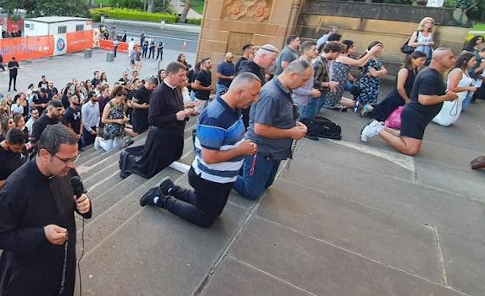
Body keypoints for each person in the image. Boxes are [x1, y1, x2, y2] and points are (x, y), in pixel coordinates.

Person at [0, 125, 91, 296]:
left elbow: (80, 195)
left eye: (74, 158)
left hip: (64, 261)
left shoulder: (66, 169)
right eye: (66, 160)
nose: (71, 165)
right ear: (45, 154)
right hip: (31, 272)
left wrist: (85, 205)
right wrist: (42, 234)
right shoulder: (13, 189)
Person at [139, 73, 261, 227]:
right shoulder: (215, 117)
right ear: (239, 92)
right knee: (205, 217)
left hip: (222, 178)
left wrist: (243, 145)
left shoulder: (233, 108)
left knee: (211, 210)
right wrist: (240, 150)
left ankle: (170, 188)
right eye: (254, 94)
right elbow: (209, 157)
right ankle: (159, 199)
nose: (256, 99)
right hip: (209, 178)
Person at [233, 59, 310, 200]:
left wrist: (295, 124)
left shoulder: (285, 90)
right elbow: (260, 129)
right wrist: (291, 132)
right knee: (251, 192)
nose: (304, 84)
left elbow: (278, 117)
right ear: (293, 75)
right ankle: (220, 174)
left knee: (265, 185)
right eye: (304, 80)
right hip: (262, 150)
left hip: (274, 152)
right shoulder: (271, 94)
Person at [361, 48, 457, 155]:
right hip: (415, 116)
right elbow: (424, 99)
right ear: (439, 59)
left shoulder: (430, 73)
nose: (454, 60)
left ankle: (379, 127)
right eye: (450, 57)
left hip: (419, 116)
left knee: (405, 137)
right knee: (411, 149)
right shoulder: (430, 75)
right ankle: (376, 129)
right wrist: (446, 97)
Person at [119, 62, 196, 178]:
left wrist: (186, 110)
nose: (184, 78)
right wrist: (176, 116)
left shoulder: (176, 89)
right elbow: (153, 120)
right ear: (171, 75)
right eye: (181, 75)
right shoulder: (159, 93)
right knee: (150, 169)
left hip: (174, 137)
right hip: (162, 139)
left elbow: (173, 109)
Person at [366, 51, 427, 127]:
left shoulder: (416, 71)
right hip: (396, 97)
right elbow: (400, 87)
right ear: (413, 59)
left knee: (392, 117)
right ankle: (368, 109)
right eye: (421, 60)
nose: (423, 62)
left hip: (406, 97)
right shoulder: (404, 70)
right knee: (381, 115)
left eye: (424, 60)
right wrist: (406, 99)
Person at [324, 40, 381, 110]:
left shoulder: (345, 57)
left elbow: (362, 64)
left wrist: (370, 54)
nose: (355, 48)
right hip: (336, 81)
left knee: (337, 97)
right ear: (348, 48)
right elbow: (359, 63)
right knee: (333, 99)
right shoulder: (342, 57)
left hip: (341, 81)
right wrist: (370, 52)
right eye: (353, 46)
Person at [432, 52, 478, 126]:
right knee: (445, 122)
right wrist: (468, 88)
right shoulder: (457, 72)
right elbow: (452, 88)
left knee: (451, 119)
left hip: (460, 98)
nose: (475, 62)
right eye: (473, 60)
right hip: (453, 97)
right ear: (465, 61)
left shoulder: (465, 71)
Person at [301, 42, 342, 120]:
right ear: (330, 51)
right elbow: (313, 81)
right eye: (336, 54)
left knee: (312, 116)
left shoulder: (324, 61)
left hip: (320, 93)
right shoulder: (319, 62)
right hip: (316, 94)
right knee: (309, 117)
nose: (337, 57)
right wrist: (328, 84)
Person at [356, 41, 387, 116]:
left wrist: (378, 73)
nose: (381, 50)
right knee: (366, 97)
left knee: (371, 97)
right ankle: (365, 110)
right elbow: (374, 73)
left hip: (374, 82)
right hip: (367, 82)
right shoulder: (369, 60)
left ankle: (366, 109)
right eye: (380, 48)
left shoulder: (377, 60)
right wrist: (379, 73)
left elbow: (385, 71)